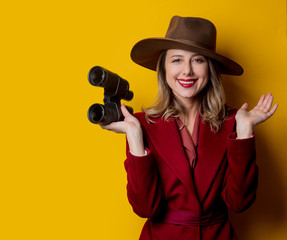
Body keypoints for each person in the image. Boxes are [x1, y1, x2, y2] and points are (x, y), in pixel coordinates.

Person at [101, 16, 278, 240]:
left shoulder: (233, 122)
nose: (187, 71)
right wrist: (135, 137)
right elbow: (145, 209)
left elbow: (239, 202)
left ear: (210, 69)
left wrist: (243, 133)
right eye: (176, 60)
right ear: (163, 69)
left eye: (198, 60)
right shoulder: (140, 124)